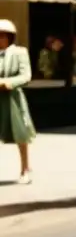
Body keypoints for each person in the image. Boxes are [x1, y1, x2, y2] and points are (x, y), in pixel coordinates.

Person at [0, 19, 35, 184]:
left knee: (20, 134)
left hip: (13, 98)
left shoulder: (20, 52)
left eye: (2, 36)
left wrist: (8, 83)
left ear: (9, 37)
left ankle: (25, 168)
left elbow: (26, 76)